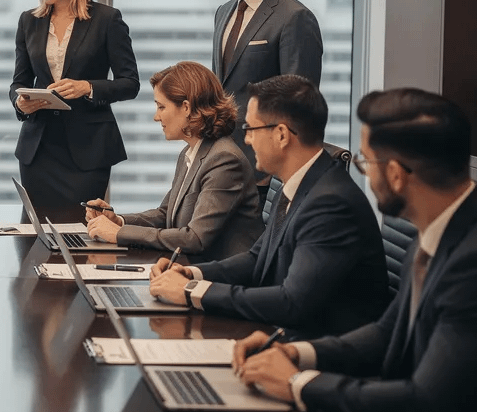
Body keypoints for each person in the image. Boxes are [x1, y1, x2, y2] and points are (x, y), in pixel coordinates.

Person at [234, 88, 477, 412]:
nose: (364, 173)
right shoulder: (441, 230)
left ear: (395, 174)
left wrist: (298, 384)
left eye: (367, 162)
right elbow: (387, 332)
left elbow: (427, 405)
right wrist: (297, 354)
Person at [148, 75, 388, 338]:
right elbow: (257, 259)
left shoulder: (330, 203)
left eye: (250, 129)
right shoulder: (300, 183)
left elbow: (291, 302)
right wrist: (190, 273)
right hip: (279, 336)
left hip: (318, 353)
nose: (247, 140)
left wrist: (190, 291)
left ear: (281, 134)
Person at [84, 61, 264, 261]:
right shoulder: (192, 151)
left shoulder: (224, 160)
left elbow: (195, 238)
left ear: (186, 107)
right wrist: (119, 221)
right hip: (188, 266)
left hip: (218, 276)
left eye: (161, 107)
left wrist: (118, 234)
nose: (156, 116)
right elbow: (166, 214)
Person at [11, 0, 140, 209]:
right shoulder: (28, 21)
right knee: (37, 238)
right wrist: (21, 103)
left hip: (88, 151)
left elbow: (130, 83)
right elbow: (19, 82)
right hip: (39, 151)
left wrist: (88, 87)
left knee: (83, 237)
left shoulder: (106, 20)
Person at [210, 0, 323, 197]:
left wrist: (271, 176)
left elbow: (298, 105)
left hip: (264, 175)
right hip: (222, 166)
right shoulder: (223, 13)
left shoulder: (294, 17)